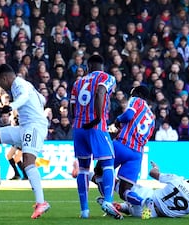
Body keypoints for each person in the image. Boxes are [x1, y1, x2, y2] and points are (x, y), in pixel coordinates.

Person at [0, 64, 50, 219]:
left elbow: (23, 97)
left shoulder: (19, 84)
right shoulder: (25, 85)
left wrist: (11, 107)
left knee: (28, 161)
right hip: (24, 127)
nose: (0, 85)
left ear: (4, 78)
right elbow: (42, 99)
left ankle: (41, 202)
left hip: (35, 127)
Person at [70, 54, 121, 219]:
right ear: (102, 66)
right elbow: (100, 91)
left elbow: (72, 106)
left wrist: (78, 121)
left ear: (88, 67)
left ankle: (84, 211)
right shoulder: (108, 78)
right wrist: (98, 118)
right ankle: (108, 200)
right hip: (97, 126)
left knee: (84, 169)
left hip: (78, 128)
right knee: (108, 163)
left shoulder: (78, 82)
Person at [92, 85, 155, 210]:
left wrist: (117, 120)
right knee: (124, 191)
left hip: (122, 145)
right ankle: (144, 203)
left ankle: (107, 202)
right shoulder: (152, 117)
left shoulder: (137, 100)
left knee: (99, 170)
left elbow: (128, 115)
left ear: (136, 93)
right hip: (137, 154)